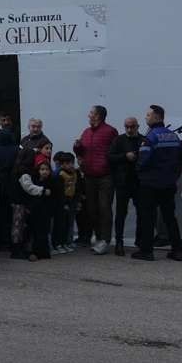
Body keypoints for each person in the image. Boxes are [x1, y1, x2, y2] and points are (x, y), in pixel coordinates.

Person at [132, 105, 182, 262]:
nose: (146, 118)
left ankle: (146, 251)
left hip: (150, 184)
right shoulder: (174, 136)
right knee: (170, 217)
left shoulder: (150, 137)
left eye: (149, 115)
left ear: (157, 117)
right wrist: (174, 176)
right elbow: (181, 159)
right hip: (168, 184)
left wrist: (139, 174)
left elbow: (143, 160)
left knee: (148, 217)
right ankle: (177, 250)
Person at [72, 105, 117, 255]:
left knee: (104, 207)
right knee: (91, 208)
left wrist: (107, 164)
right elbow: (82, 151)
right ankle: (98, 237)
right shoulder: (86, 132)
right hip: (89, 176)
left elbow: (116, 151)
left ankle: (105, 240)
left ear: (98, 115)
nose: (89, 115)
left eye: (91, 113)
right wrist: (77, 147)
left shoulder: (110, 131)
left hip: (106, 176)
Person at [107, 117, 143, 256]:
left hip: (139, 183)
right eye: (127, 126)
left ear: (137, 126)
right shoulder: (119, 140)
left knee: (142, 213)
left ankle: (140, 242)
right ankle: (119, 242)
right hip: (122, 183)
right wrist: (125, 156)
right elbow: (110, 157)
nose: (129, 129)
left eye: (132, 126)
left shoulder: (143, 140)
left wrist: (137, 156)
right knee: (121, 213)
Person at [0, 114, 19, 251]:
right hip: (13, 185)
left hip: (0, 186)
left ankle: (1, 241)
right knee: (12, 215)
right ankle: (13, 241)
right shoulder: (15, 150)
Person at [52, 152, 79, 253]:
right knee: (59, 224)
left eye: (72, 163)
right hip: (61, 203)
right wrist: (64, 204)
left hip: (70, 201)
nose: (71, 165)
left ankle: (64, 243)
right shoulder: (59, 175)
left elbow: (75, 188)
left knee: (67, 224)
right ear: (62, 164)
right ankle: (57, 244)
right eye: (67, 163)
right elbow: (59, 192)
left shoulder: (74, 174)